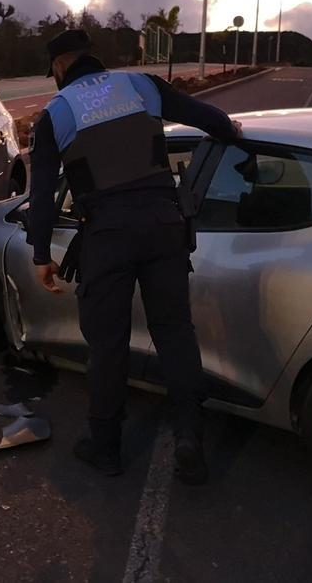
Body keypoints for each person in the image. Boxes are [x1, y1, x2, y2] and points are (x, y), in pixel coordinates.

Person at [28, 29, 241, 485]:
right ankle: (189, 438)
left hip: (108, 235)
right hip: (164, 226)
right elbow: (209, 118)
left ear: (61, 66)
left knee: (108, 343)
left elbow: (42, 193)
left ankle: (105, 447)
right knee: (175, 333)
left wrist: (42, 252)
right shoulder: (141, 86)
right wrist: (231, 132)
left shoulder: (56, 113)